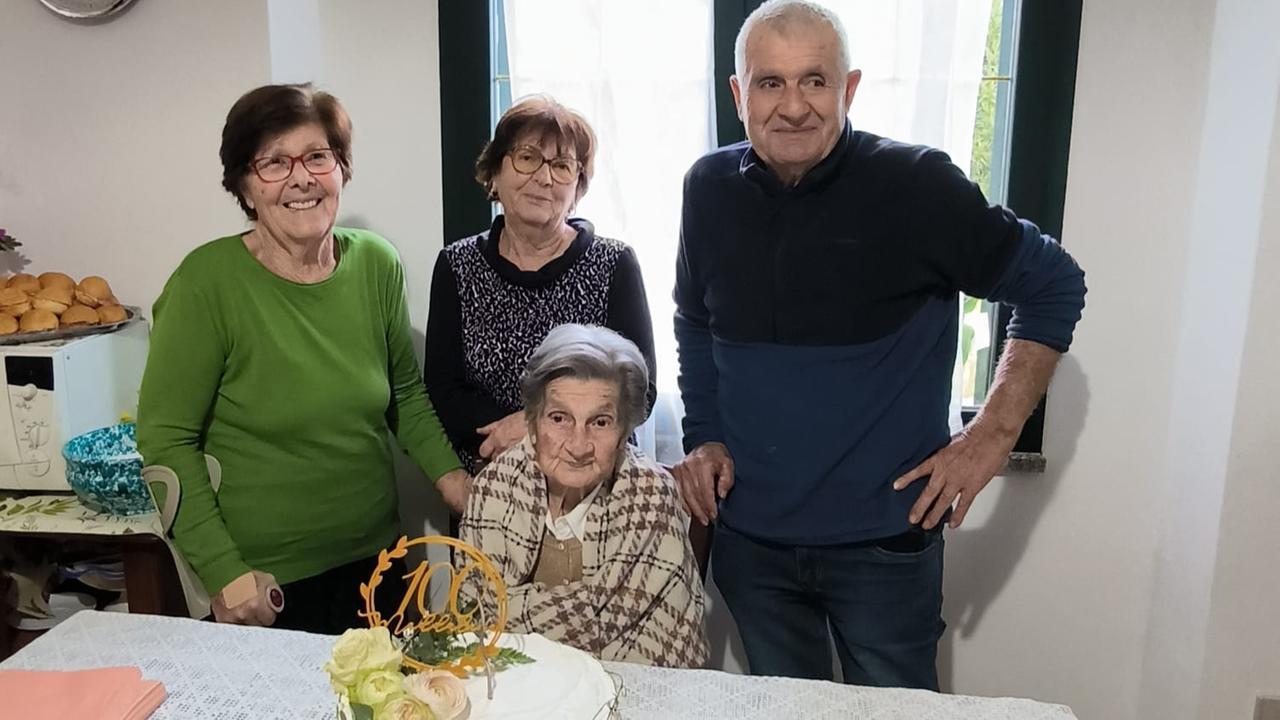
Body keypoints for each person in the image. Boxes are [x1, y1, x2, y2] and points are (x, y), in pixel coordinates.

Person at [671, 0, 1086, 689]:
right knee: (785, 712)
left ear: (850, 88)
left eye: (815, 80)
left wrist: (991, 435)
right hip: (752, 542)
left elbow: (1053, 284)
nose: (794, 105)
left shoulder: (916, 184)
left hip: (884, 547)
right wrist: (704, 434)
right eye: (770, 83)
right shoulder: (707, 188)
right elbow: (693, 320)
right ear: (739, 94)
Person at [137, 83, 470, 635]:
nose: (301, 178)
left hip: (378, 567)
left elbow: (405, 396)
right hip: (265, 584)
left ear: (341, 168)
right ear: (244, 185)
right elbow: (164, 439)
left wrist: (457, 484)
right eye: (273, 162)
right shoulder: (205, 284)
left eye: (318, 156)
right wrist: (224, 573)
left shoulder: (377, 265)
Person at [425, 95, 656, 476]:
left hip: (595, 486)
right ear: (495, 172)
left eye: (562, 166)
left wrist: (533, 426)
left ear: (577, 186)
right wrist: (508, 436)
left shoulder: (615, 264)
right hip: (491, 483)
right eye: (528, 158)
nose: (544, 178)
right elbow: (443, 390)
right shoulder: (456, 264)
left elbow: (640, 392)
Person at [458, 324, 708, 667]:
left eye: (600, 422)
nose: (578, 446)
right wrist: (602, 609)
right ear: (532, 421)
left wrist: (512, 610)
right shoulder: (495, 486)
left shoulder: (651, 495)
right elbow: (474, 620)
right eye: (559, 418)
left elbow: (653, 649)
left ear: (624, 432)